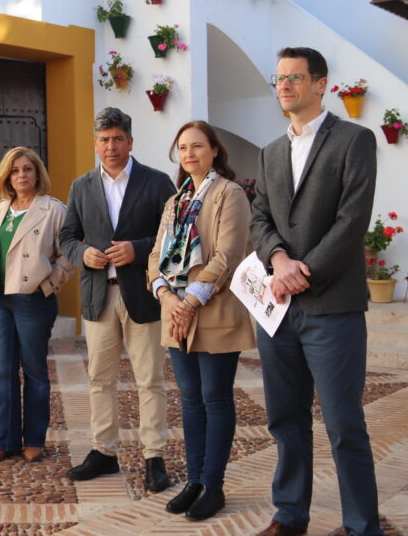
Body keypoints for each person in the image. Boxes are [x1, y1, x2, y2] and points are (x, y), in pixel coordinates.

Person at [250, 47, 381, 536]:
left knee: (344, 425)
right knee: (285, 418)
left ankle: (362, 525)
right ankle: (290, 514)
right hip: (278, 312)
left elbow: (353, 220)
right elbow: (260, 218)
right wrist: (279, 261)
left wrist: (305, 271)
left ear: (321, 84)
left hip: (332, 308)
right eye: (279, 78)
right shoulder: (269, 151)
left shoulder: (354, 139)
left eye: (295, 78)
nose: (284, 86)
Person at [59, 107, 175, 489]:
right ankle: (103, 452)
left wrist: (138, 249)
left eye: (118, 138)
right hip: (98, 297)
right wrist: (82, 255)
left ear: (130, 141)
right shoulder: (81, 186)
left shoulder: (157, 183)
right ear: (96, 144)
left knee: (150, 380)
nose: (111, 146)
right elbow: (67, 239)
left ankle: (154, 456)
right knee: (100, 380)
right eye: (104, 139)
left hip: (143, 296)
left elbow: (173, 238)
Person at [147, 121, 255, 521]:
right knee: (189, 401)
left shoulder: (230, 194)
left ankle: (214, 485)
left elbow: (227, 256)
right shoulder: (174, 201)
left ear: (214, 150)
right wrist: (168, 297)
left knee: (216, 399)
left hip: (214, 311)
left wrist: (189, 301)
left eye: (197, 146)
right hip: (176, 313)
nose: (189, 153)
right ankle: (193, 480)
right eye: (183, 148)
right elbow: (155, 258)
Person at [0, 146, 74, 462]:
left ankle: (34, 439)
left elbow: (69, 254)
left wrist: (48, 283)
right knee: (3, 372)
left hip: (33, 301)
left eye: (27, 169)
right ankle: (3, 441)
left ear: (37, 173)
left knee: (34, 371)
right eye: (15, 170)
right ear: (7, 176)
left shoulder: (54, 210)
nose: (21, 176)